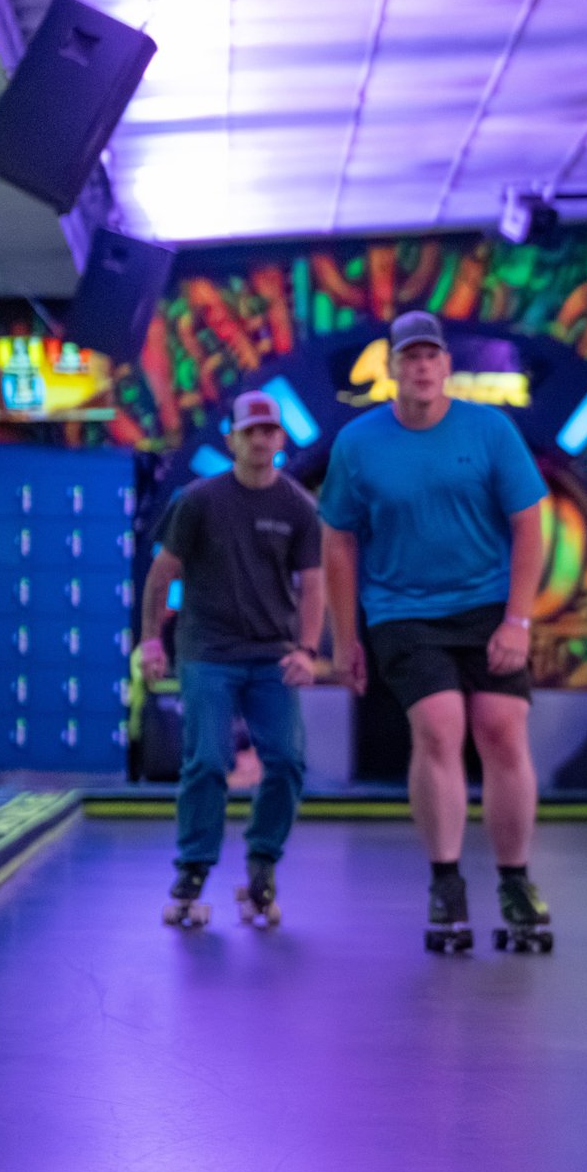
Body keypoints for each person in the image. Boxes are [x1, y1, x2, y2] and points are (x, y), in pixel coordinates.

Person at [321, 311, 552, 953]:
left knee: (503, 730)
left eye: (431, 356)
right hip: (403, 610)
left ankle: (514, 880)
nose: (421, 367)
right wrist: (345, 640)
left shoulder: (489, 430)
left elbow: (530, 526)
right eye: (408, 357)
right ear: (390, 368)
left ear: (446, 366)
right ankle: (446, 881)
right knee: (440, 725)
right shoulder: (358, 443)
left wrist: (517, 620)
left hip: (488, 605)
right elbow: (337, 540)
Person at [139, 391, 323, 929]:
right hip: (209, 652)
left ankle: (262, 865)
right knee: (208, 760)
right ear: (233, 439)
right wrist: (152, 640)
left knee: (287, 763)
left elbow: (313, 588)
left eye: (270, 431)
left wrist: (308, 651)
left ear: (280, 440)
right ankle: (192, 870)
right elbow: (162, 574)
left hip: (272, 656)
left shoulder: (297, 507)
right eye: (251, 432)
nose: (261, 440)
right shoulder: (199, 501)